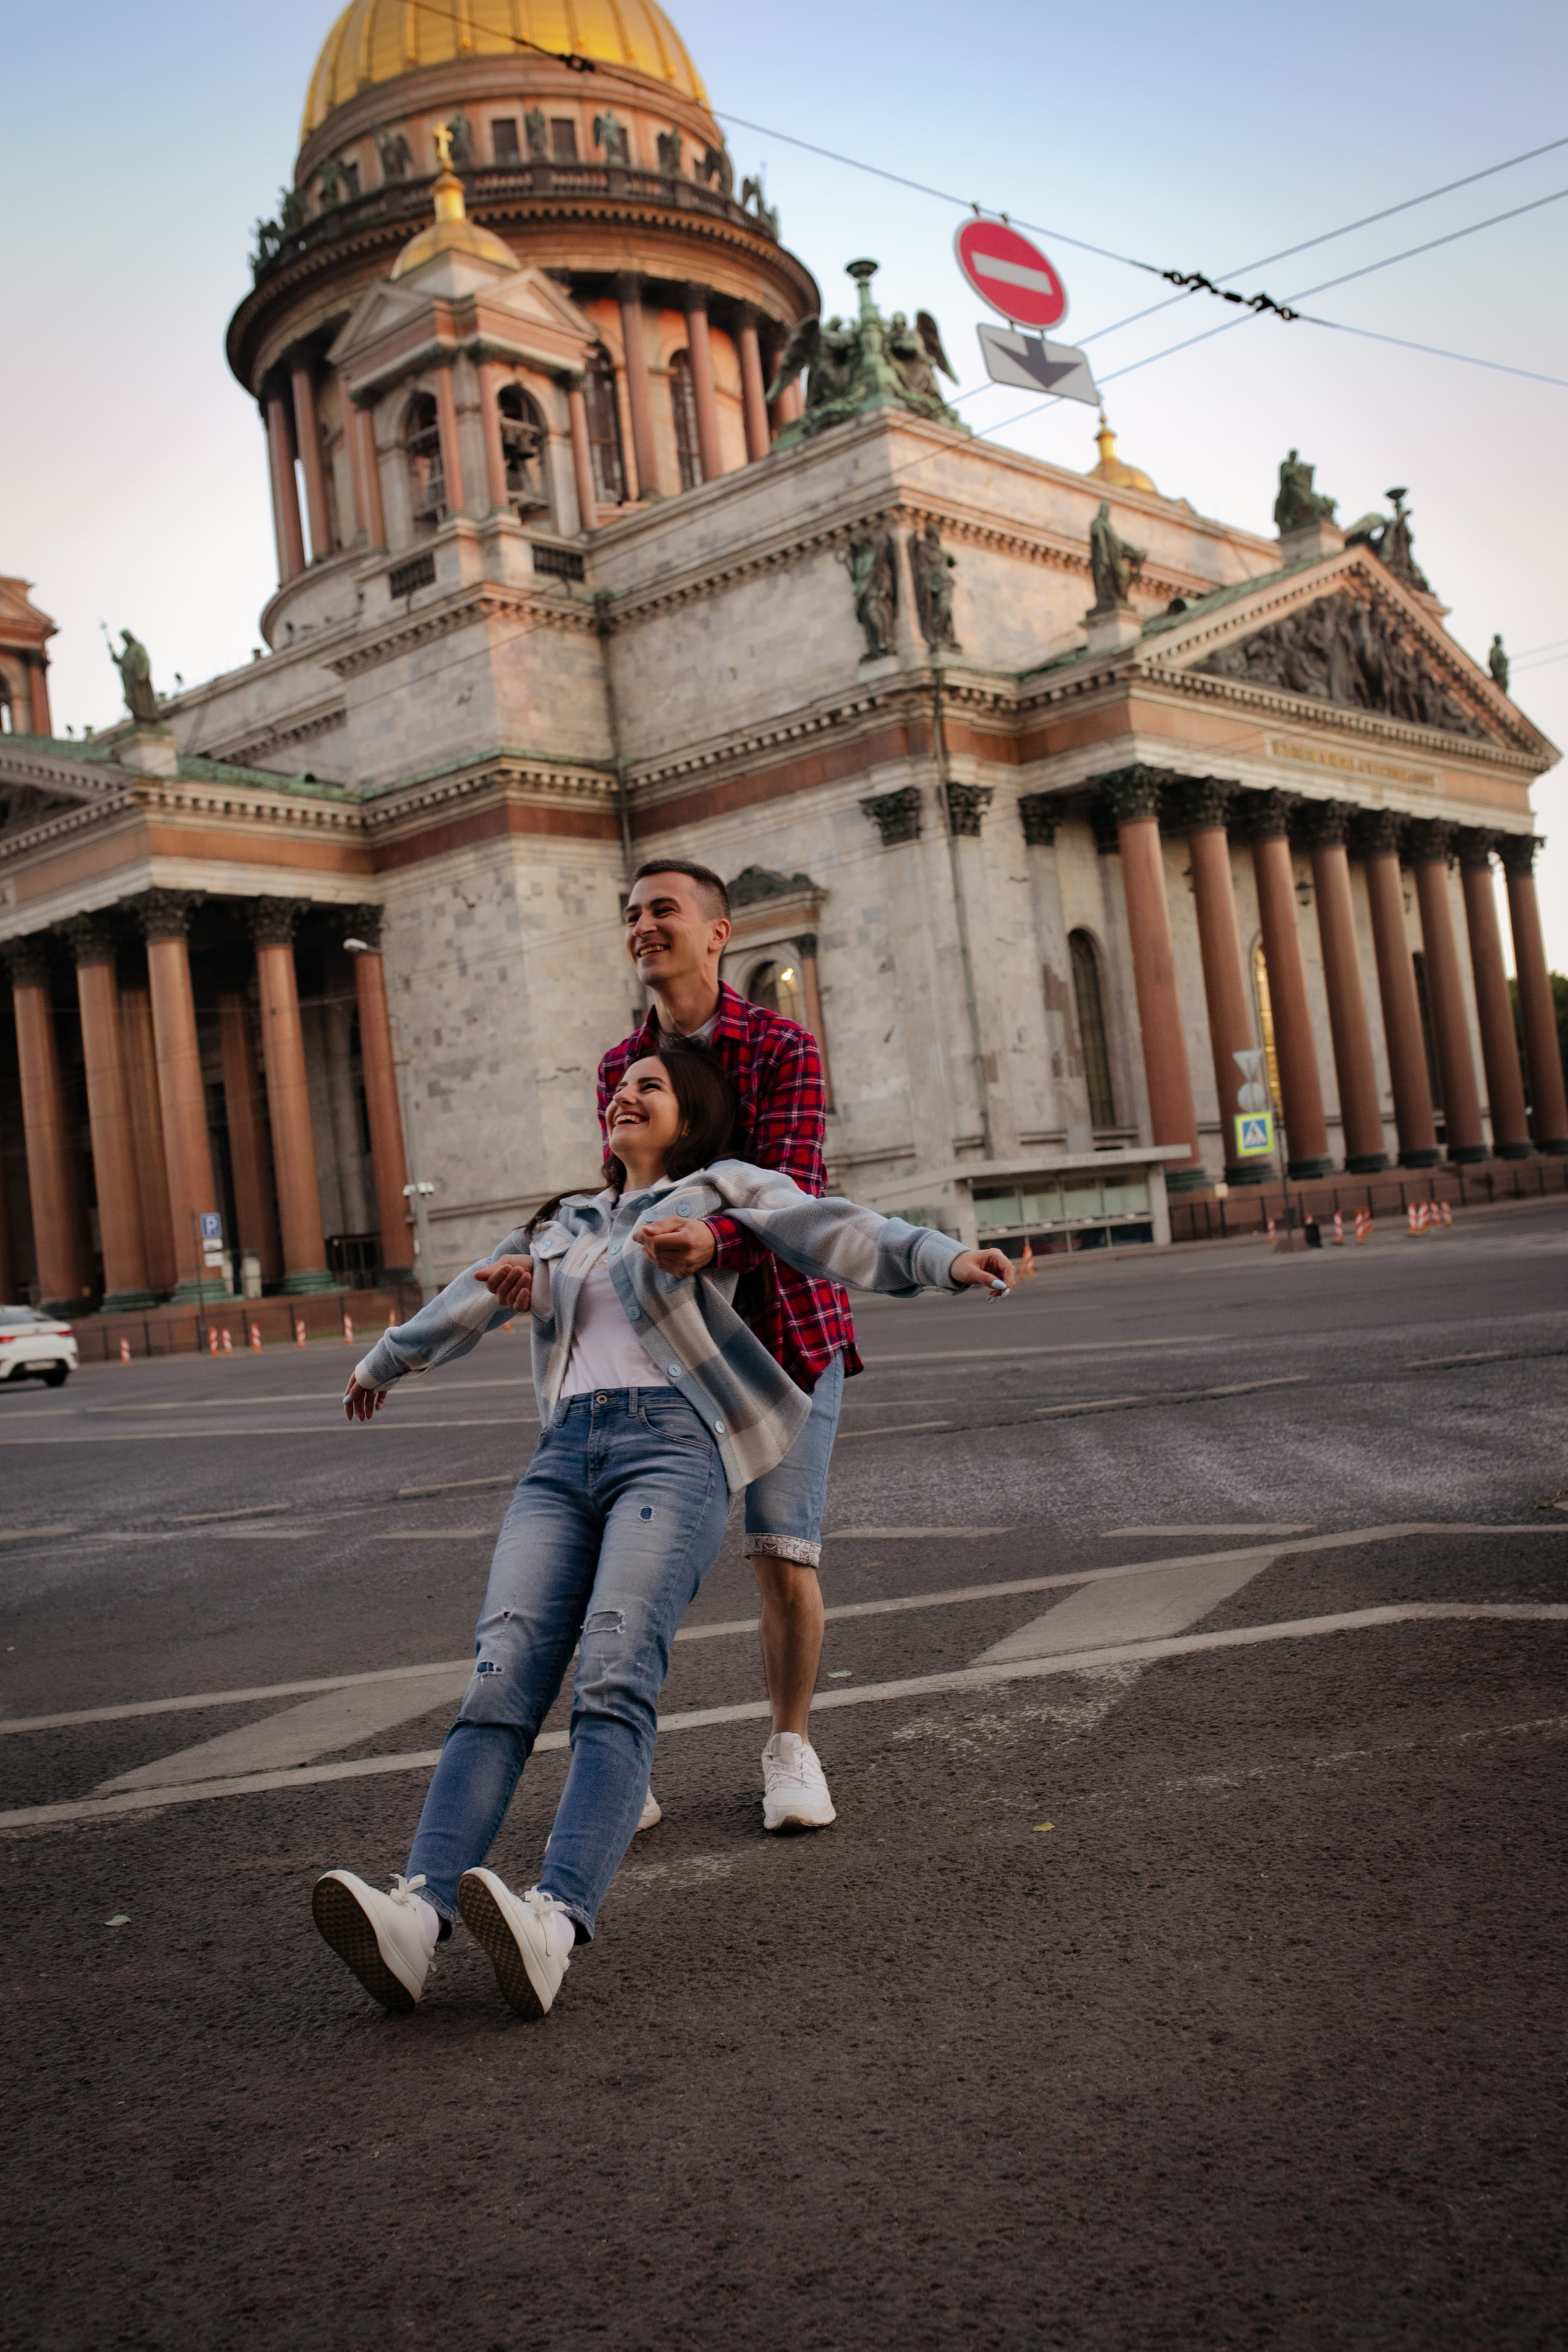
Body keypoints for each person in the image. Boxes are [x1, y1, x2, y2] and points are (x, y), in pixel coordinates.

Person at [312, 1046, 1014, 2021]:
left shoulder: (718, 1193)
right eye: (619, 1086)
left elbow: (830, 1229)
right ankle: (416, 1913)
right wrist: (383, 1363)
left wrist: (943, 1259)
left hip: (672, 1452)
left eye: (650, 1086)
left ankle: (554, 1919)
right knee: (502, 1667)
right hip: (563, 1458)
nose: (626, 1096)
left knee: (613, 1667)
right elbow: (469, 1294)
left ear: (687, 1119)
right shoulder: (565, 1223)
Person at [601, 862, 849, 1836]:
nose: (645, 926)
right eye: (632, 915)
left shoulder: (784, 1046)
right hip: (672, 1344)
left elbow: (796, 1191)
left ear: (717, 933)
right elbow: (620, 1188)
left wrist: (715, 1239)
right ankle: (623, 1762)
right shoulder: (623, 1061)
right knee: (641, 1560)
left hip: (786, 1332)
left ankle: (790, 1748)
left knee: (784, 1555)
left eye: (664, 909)